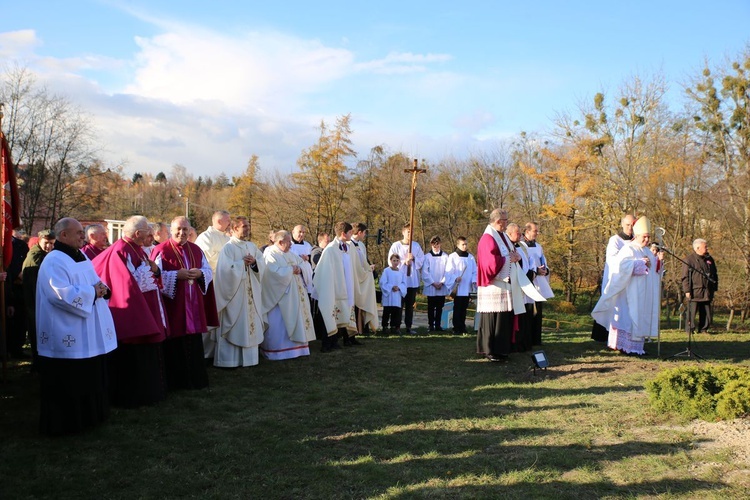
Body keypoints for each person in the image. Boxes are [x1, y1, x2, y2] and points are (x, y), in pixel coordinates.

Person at [35, 217, 117, 435]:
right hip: (66, 330)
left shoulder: (79, 256)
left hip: (87, 329)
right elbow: (58, 294)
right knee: (72, 378)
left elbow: (95, 280)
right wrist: (93, 292)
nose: (83, 235)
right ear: (63, 235)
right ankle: (69, 423)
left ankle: (91, 417)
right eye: (79, 232)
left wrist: (101, 288)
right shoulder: (54, 260)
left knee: (89, 374)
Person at [93, 216, 169, 407]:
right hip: (132, 313)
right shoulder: (122, 250)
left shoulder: (137, 249)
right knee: (133, 356)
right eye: (148, 232)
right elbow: (125, 285)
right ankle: (134, 396)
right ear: (137, 234)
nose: (151, 235)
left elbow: (146, 275)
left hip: (146, 307)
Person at [151, 216, 219, 391]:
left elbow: (207, 271)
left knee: (194, 342)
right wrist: (175, 275)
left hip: (193, 304)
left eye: (185, 229)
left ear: (190, 231)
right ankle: (177, 382)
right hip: (173, 306)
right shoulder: (161, 250)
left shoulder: (196, 249)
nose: (182, 233)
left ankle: (196, 379)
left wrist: (200, 274)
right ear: (171, 230)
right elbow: (154, 277)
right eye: (178, 229)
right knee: (175, 344)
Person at [591, 216, 663, 355]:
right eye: (644, 237)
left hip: (641, 293)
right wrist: (640, 263)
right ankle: (624, 346)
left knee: (638, 316)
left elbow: (654, 268)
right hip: (627, 292)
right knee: (628, 318)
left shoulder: (647, 250)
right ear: (637, 235)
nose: (647, 240)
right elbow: (621, 266)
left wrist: (658, 262)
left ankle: (636, 347)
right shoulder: (628, 248)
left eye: (648, 237)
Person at [214, 217, 266, 367]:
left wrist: (255, 263)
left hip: (251, 293)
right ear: (235, 228)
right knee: (236, 323)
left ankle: (250, 360)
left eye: (248, 226)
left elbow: (262, 265)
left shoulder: (252, 246)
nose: (247, 229)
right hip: (235, 295)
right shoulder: (228, 248)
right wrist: (241, 264)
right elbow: (224, 271)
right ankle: (229, 361)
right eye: (244, 226)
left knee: (250, 323)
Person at [260, 230, 315, 359]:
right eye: (289, 242)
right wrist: (291, 269)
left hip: (295, 295)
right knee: (279, 323)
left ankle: (297, 350)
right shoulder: (270, 253)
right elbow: (271, 272)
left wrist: (300, 269)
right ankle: (277, 351)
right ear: (280, 242)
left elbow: (304, 265)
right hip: (278, 297)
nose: (291, 244)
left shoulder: (289, 253)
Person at [476, 209, 521, 361]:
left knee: (503, 319)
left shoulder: (502, 237)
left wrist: (515, 256)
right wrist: (510, 258)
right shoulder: (488, 238)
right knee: (493, 319)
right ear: (497, 221)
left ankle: (502, 349)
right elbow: (490, 263)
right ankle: (490, 350)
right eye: (505, 220)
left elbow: (510, 253)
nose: (507, 222)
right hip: (493, 286)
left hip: (504, 284)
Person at [313, 221, 360, 350]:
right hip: (332, 289)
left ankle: (335, 341)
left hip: (345, 288)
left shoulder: (347, 247)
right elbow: (325, 271)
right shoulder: (330, 249)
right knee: (329, 314)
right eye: (350, 232)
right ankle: (326, 343)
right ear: (343, 234)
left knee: (340, 315)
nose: (352, 234)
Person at [592, 214, 636, 342]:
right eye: (627, 225)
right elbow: (613, 260)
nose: (630, 228)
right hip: (616, 278)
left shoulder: (636, 241)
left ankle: (626, 337)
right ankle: (604, 335)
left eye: (632, 225)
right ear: (622, 225)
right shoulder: (615, 240)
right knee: (612, 306)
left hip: (630, 280)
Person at [195, 210, 231, 361]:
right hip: (213, 284)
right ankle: (205, 354)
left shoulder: (227, 238)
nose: (230, 223)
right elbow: (208, 260)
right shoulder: (206, 237)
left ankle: (220, 352)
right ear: (219, 222)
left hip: (227, 283)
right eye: (228, 221)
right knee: (210, 317)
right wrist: (231, 258)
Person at [21, 229, 56, 370]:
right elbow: (37, 284)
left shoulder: (44, 255)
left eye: (52, 243)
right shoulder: (35, 258)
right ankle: (38, 365)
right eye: (46, 243)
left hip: (37, 302)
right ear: (39, 240)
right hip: (34, 303)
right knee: (38, 334)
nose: (49, 246)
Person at [388, 224, 425, 334]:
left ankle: (408, 326)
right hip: (399, 280)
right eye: (408, 231)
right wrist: (404, 262)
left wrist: (413, 259)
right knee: (399, 304)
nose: (410, 234)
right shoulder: (396, 246)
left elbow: (421, 260)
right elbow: (391, 261)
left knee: (410, 305)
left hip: (412, 280)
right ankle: (396, 326)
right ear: (403, 232)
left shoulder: (416, 245)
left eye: (411, 232)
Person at [523, 222, 554, 345]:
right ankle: (527, 338)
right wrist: (534, 271)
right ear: (527, 231)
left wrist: (545, 270)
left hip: (539, 282)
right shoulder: (521, 246)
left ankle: (536, 339)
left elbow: (543, 260)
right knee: (528, 311)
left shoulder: (539, 246)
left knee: (538, 311)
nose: (537, 233)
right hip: (528, 282)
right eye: (535, 231)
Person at [681, 238, 718, 334]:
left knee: (706, 312)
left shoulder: (709, 259)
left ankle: (703, 329)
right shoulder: (689, 260)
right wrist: (687, 291)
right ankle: (690, 329)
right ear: (697, 248)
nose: (707, 249)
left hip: (707, 291)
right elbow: (685, 277)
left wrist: (714, 287)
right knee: (692, 312)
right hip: (694, 291)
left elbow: (715, 274)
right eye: (705, 247)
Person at [350, 223, 379, 336]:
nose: (365, 235)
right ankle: (354, 329)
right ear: (360, 232)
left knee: (364, 301)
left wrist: (369, 268)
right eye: (365, 232)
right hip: (354, 279)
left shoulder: (361, 245)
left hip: (363, 278)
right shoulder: (349, 245)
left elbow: (364, 261)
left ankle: (363, 327)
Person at [5, 228, 29, 359]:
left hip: (20, 287)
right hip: (8, 284)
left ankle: (17, 348)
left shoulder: (21, 245)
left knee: (20, 319)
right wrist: (14, 275)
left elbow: (26, 261)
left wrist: (22, 274)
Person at [446, 236, 477, 334]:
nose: (465, 246)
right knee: (457, 308)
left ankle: (462, 327)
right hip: (458, 287)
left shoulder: (470, 257)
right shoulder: (453, 256)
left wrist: (474, 280)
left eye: (466, 244)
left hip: (467, 287)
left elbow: (474, 272)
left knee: (464, 308)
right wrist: (455, 277)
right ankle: (456, 327)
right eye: (463, 244)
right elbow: (448, 272)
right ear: (458, 245)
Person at [422, 235, 454, 331]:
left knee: (440, 307)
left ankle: (438, 325)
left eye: (438, 244)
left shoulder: (445, 256)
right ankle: (431, 325)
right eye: (434, 245)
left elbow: (448, 271)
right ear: (431, 245)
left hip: (441, 285)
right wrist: (433, 283)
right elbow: (425, 271)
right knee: (431, 307)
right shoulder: (427, 257)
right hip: (431, 286)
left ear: (440, 244)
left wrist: (442, 282)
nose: (436, 247)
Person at [380, 254, 406, 334]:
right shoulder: (386, 271)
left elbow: (404, 283)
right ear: (391, 261)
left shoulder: (401, 272)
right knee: (387, 312)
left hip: (397, 294)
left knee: (396, 312)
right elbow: (383, 282)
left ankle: (394, 327)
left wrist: (399, 288)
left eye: (397, 261)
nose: (395, 262)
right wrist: (391, 287)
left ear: (399, 262)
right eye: (394, 260)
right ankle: (384, 327)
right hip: (389, 294)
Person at [290, 224, 315, 297]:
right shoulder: (289, 244)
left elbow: (312, 258)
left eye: (303, 232)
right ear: (293, 232)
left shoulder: (307, 245)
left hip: (307, 274)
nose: (302, 234)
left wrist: (308, 258)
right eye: (300, 232)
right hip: (295, 273)